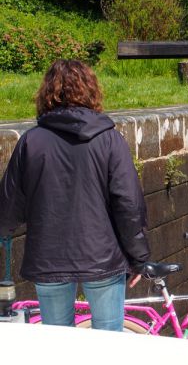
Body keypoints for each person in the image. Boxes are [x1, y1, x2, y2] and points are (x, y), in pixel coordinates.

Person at [0, 59, 150, 331]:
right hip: (102, 256)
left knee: (58, 347)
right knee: (108, 344)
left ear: (47, 93)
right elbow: (128, 204)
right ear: (91, 90)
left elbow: (9, 205)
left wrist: (5, 229)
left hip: (49, 257)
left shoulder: (31, 141)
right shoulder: (109, 139)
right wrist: (139, 257)